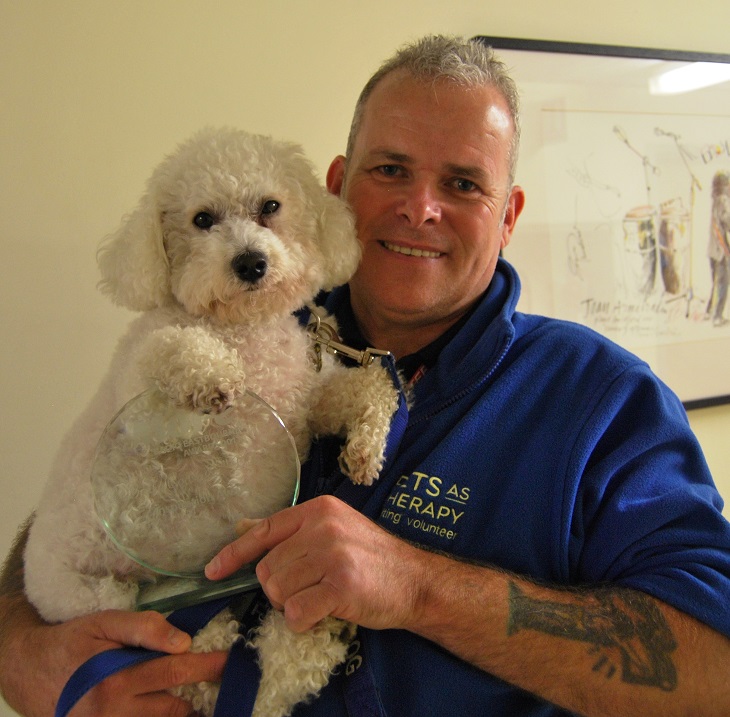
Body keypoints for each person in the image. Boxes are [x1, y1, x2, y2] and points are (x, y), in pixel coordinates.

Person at [2, 35, 730, 717]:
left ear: (506, 217)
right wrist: (26, 653)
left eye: (464, 183)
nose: (421, 207)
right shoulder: (236, 321)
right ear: (336, 187)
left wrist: (421, 588)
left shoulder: (601, 399)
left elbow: (713, 665)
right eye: (391, 170)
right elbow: (85, 497)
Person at [706, 170, 730, 327]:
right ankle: (717, 316)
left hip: (713, 250)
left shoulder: (716, 199)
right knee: (723, 282)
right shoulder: (722, 200)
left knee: (716, 282)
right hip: (720, 250)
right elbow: (727, 221)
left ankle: (710, 311)